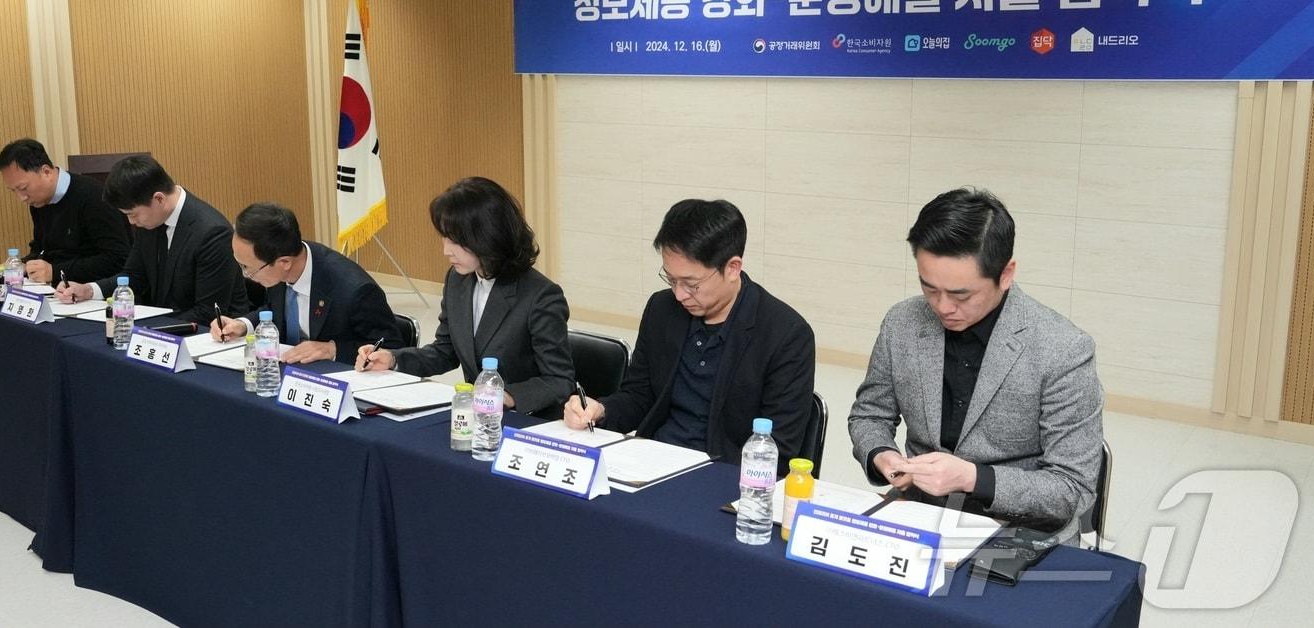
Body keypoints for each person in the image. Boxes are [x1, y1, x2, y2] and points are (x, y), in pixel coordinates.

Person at [848, 188, 1103, 539]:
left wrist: (973, 478)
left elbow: (1071, 489)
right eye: (929, 288)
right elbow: (870, 415)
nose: (942, 307)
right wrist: (882, 455)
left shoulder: (1063, 349)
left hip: (1018, 532)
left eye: (961, 295)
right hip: (920, 512)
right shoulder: (902, 322)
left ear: (1006, 274)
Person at [563, 199, 815, 471]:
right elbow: (639, 396)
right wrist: (600, 410)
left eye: (691, 284)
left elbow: (778, 448)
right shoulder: (662, 309)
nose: (679, 294)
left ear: (732, 268)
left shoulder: (786, 335)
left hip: (725, 475)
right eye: (671, 280)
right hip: (651, 463)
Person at [355, 177, 574, 416]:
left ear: (488, 237)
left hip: (525, 420)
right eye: (444, 237)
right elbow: (444, 352)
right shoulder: (458, 279)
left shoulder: (540, 295)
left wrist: (507, 396)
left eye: (456, 241)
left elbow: (559, 381)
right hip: (475, 417)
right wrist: (393, 359)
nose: (446, 250)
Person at [55, 155, 249, 323]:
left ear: (159, 199)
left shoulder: (212, 233)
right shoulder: (151, 220)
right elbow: (135, 276)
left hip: (209, 335)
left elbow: (207, 312)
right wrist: (89, 290)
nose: (131, 222)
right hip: (165, 326)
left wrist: (149, 329)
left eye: (132, 214)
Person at [209, 202, 403, 364]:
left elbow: (391, 348)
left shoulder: (355, 290)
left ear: (284, 262)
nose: (245, 275)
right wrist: (242, 325)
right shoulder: (280, 262)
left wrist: (332, 349)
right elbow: (275, 310)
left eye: (248, 268)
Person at [0, 139, 128, 284]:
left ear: (46, 172)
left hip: (94, 289)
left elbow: (117, 259)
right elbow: (41, 249)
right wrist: (23, 265)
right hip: (58, 288)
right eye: (13, 191)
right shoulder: (39, 201)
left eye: (23, 188)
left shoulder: (93, 197)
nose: (22, 198)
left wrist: (56, 272)